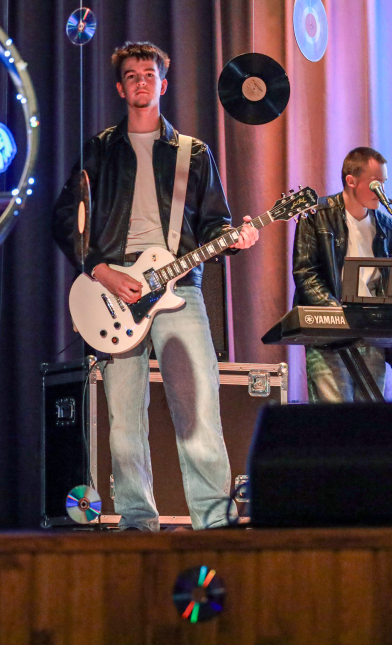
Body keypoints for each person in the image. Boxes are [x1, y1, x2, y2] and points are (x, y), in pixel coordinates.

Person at [52, 42, 259, 531]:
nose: (141, 81)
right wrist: (102, 271)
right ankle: (136, 524)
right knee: (124, 419)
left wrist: (236, 239)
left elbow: (215, 225)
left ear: (163, 84)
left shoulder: (193, 152)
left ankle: (214, 522)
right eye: (132, 75)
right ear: (120, 87)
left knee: (198, 409)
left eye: (149, 74)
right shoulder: (99, 150)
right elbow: (64, 219)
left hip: (179, 292)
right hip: (113, 291)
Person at [292, 147, 392, 402]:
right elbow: (305, 273)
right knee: (335, 418)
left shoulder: (391, 228)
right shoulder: (316, 216)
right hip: (328, 334)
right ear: (351, 180)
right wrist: (336, 313)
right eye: (375, 184)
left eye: (384, 183)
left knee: (369, 420)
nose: (381, 191)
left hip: (373, 333)